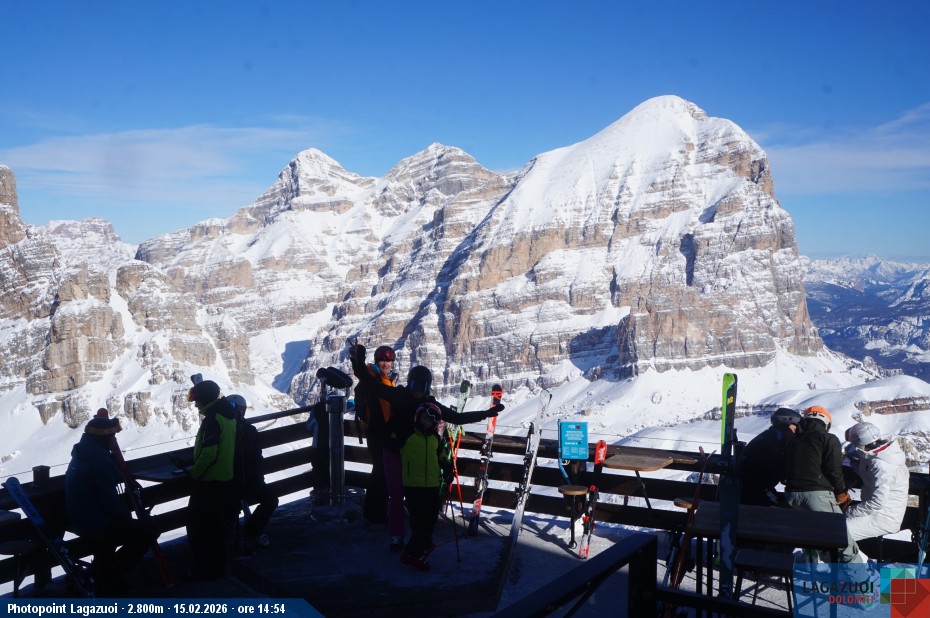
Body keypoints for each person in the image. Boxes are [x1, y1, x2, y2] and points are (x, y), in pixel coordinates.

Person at [64, 415, 158, 595]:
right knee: (149, 530)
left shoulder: (84, 453)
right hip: (96, 522)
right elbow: (109, 500)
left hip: (80, 519)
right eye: (112, 436)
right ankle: (109, 571)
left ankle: (104, 569)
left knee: (117, 536)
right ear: (103, 438)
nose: (114, 440)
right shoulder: (99, 461)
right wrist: (127, 518)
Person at [179, 379, 239, 579]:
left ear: (205, 399)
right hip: (225, 480)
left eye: (197, 400)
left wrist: (193, 473)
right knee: (216, 528)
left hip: (209, 483)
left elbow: (209, 454)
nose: (195, 404)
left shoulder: (212, 419)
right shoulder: (227, 414)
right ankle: (219, 568)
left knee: (197, 527)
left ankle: (204, 570)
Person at [785, 406, 861, 562]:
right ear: (826, 422)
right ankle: (859, 576)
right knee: (844, 544)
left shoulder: (792, 440)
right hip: (817, 497)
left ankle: (811, 568)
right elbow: (834, 469)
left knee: (810, 535)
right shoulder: (828, 438)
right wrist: (841, 491)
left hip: (791, 496)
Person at [351, 345, 400, 541]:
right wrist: (357, 359)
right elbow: (360, 372)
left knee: (379, 473)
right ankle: (377, 518)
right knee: (382, 475)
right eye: (382, 360)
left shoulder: (387, 379)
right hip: (377, 433)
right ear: (377, 361)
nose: (386, 363)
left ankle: (371, 514)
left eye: (388, 360)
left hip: (383, 433)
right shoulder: (372, 377)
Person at [843, 422, 910, 543]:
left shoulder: (881, 465)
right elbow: (870, 474)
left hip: (883, 518)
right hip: (877, 513)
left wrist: (848, 512)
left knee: (838, 532)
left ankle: (854, 555)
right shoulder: (880, 454)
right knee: (836, 530)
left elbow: (877, 502)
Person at [229, 394, 279, 551]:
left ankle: (251, 531)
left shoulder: (249, 430)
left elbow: (257, 456)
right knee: (232, 507)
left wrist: (258, 478)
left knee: (271, 500)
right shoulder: (224, 431)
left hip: (250, 481)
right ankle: (238, 537)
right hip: (231, 484)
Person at [736, 407, 800, 506]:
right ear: (785, 427)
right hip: (754, 495)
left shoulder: (769, 438)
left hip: (750, 491)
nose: (794, 434)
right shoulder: (771, 445)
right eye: (794, 429)